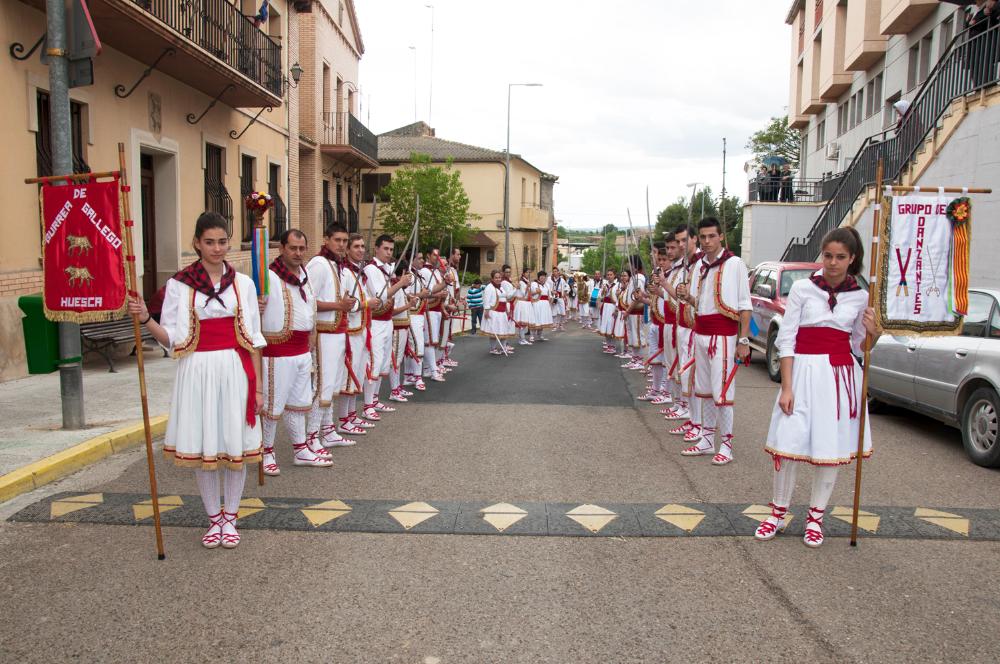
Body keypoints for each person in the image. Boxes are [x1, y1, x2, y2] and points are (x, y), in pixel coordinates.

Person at [128, 211, 264, 550]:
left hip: (235, 369)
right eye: (209, 242)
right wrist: (146, 318)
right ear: (196, 244)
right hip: (196, 370)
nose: (217, 249)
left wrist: (259, 387)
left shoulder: (243, 284)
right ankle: (212, 518)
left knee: (235, 445)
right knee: (206, 446)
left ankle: (231, 516)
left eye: (222, 242)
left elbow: (254, 339)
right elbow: (170, 337)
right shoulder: (179, 284)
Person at [755, 227, 879, 547]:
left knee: (829, 448)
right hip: (802, 372)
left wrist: (873, 333)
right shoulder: (801, 289)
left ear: (853, 259)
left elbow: (858, 346)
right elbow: (787, 337)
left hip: (838, 377)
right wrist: (787, 386)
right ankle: (778, 512)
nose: (833, 263)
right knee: (788, 443)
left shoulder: (862, 296)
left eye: (840, 257)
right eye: (828, 256)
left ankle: (816, 517)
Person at [678, 218, 752, 465]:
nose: (707, 241)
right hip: (701, 333)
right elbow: (701, 303)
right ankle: (707, 439)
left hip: (723, 335)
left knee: (723, 391)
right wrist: (687, 296)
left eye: (711, 236)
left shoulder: (735, 264)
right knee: (705, 390)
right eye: (703, 237)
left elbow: (744, 305)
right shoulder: (699, 266)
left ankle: (727, 444)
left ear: (721, 236)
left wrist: (743, 340)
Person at [259, 229, 331, 477]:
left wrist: (311, 334)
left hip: (302, 349)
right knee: (272, 404)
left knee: (299, 403)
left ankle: (300, 449)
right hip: (277, 350)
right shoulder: (267, 276)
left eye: (302, 248)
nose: (298, 253)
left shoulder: (306, 274)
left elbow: (310, 306)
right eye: (293, 248)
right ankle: (266, 451)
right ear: (282, 248)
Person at [306, 223, 360, 445]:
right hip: (323, 333)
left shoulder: (338, 266)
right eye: (337, 240)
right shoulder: (318, 264)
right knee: (322, 385)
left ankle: (327, 430)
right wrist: (339, 306)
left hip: (338, 332)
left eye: (344, 241)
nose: (341, 245)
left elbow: (346, 301)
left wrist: (349, 305)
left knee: (333, 384)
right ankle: (311, 437)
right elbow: (308, 300)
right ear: (326, 239)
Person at [362, 234, 414, 421]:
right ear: (376, 249)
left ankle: (374, 400)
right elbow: (380, 295)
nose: (389, 253)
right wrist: (400, 283)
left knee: (384, 362)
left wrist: (404, 280)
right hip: (375, 322)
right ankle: (367, 405)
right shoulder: (371, 269)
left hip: (387, 322)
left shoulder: (388, 270)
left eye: (391, 250)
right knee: (374, 363)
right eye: (385, 249)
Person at [339, 234, 375, 432]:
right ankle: (344, 419)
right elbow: (348, 305)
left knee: (358, 375)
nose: (361, 250)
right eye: (356, 246)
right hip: (351, 332)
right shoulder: (345, 273)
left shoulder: (358, 273)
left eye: (362, 246)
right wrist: (368, 303)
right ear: (348, 250)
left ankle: (352, 415)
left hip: (361, 331)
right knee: (349, 377)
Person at [664, 225, 698, 427]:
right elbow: (676, 297)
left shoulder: (699, 264)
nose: (679, 246)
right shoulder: (685, 267)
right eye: (678, 242)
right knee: (680, 369)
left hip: (694, 327)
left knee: (691, 374)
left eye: (684, 240)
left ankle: (695, 419)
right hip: (680, 323)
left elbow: (683, 297)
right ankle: (686, 410)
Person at [403, 251, 432, 391]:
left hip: (420, 315)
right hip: (412, 314)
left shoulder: (418, 275)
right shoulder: (409, 276)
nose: (422, 261)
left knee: (414, 345)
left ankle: (409, 375)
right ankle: (418, 377)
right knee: (417, 345)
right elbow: (405, 294)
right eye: (419, 258)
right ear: (411, 260)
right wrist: (421, 294)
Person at [480, 269, 515, 355]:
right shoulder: (489, 288)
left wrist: (507, 310)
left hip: (502, 313)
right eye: (496, 278)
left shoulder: (501, 287)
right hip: (494, 313)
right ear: (492, 278)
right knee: (494, 331)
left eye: (499, 277)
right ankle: (493, 348)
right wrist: (487, 311)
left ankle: (503, 347)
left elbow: (506, 298)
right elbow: (486, 300)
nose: (498, 279)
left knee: (503, 330)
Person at [598, 268, 619, 353]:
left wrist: (617, 308)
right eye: (608, 275)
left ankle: (613, 346)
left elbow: (619, 298)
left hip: (612, 306)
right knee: (605, 325)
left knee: (611, 325)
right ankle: (608, 344)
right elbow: (601, 296)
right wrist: (603, 292)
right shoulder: (605, 284)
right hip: (605, 306)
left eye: (611, 275)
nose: (609, 276)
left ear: (614, 276)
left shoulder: (618, 285)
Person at [513, 268, 535, 345]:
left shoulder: (527, 281)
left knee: (524, 322)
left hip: (526, 303)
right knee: (522, 322)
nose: (528, 274)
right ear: (523, 273)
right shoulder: (522, 282)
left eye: (529, 273)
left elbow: (530, 293)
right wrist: (527, 287)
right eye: (526, 273)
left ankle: (522, 338)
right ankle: (521, 339)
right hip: (522, 303)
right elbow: (523, 293)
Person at [531, 270, 554, 340]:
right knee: (536, 319)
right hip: (537, 303)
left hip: (545, 304)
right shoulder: (534, 284)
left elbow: (549, 295)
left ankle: (540, 335)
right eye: (541, 276)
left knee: (543, 319)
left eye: (544, 276)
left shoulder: (547, 285)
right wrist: (536, 291)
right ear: (538, 277)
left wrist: (550, 302)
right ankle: (532, 335)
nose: (543, 278)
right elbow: (532, 292)